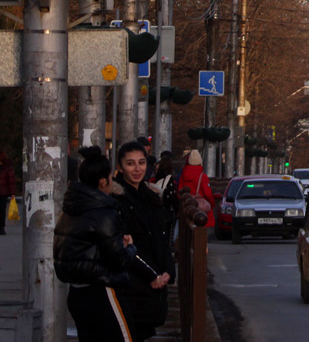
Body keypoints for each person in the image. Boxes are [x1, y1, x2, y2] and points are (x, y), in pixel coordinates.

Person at [54, 145, 166, 342]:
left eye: (142, 163)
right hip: (102, 291)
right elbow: (119, 257)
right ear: (103, 181)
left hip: (77, 292)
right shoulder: (104, 211)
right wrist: (129, 247)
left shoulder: (71, 208)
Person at [112, 141, 174, 341]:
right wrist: (152, 275)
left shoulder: (151, 197)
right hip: (131, 284)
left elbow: (163, 239)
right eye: (130, 164)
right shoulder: (116, 200)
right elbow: (123, 246)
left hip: (154, 285)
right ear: (120, 167)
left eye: (141, 163)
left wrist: (168, 271)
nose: (137, 169)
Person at [176, 150, 214, 227]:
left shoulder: (183, 175)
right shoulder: (202, 176)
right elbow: (207, 193)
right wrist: (212, 203)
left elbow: (179, 192)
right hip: (200, 208)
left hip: (187, 208)